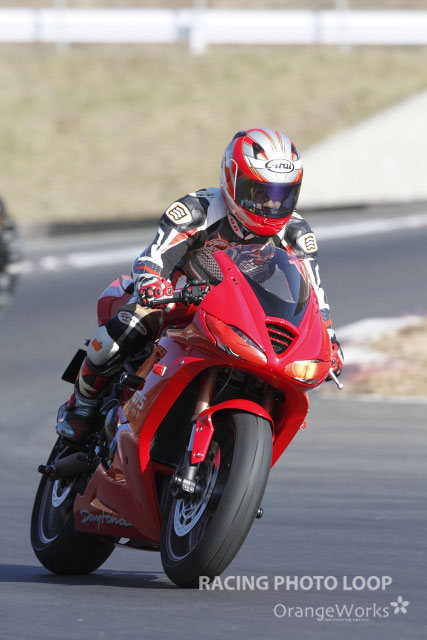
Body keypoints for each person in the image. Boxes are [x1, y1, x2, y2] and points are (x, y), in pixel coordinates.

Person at [57, 128, 344, 442]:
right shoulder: (198, 209)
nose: (272, 205)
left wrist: (329, 339)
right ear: (232, 180)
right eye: (259, 193)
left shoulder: (296, 233)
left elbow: (314, 293)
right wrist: (152, 282)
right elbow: (154, 255)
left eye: (282, 195)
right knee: (127, 328)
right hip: (177, 300)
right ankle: (80, 406)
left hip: (238, 315)